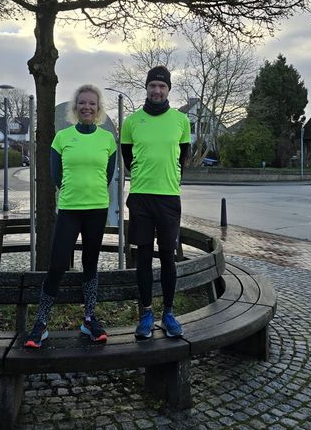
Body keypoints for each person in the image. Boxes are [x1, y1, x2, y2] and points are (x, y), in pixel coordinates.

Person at [24, 84, 117, 348]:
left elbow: (108, 175)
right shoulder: (62, 137)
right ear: (75, 108)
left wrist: (93, 192)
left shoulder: (107, 140)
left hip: (97, 209)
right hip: (69, 210)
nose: (87, 107)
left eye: (92, 104)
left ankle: (89, 319)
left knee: (90, 264)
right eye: (82, 103)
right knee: (56, 265)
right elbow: (56, 175)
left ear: (98, 109)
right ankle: (41, 323)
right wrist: (72, 191)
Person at [121, 66, 192, 340]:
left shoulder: (181, 121)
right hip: (140, 198)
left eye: (162, 86)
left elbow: (182, 157)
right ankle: (147, 313)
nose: (157, 91)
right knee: (143, 259)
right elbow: (129, 159)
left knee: (167, 258)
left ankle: (169, 313)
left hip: (169, 199)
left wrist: (170, 181)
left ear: (169, 90)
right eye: (153, 86)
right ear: (147, 88)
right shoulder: (132, 122)